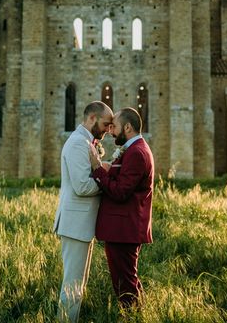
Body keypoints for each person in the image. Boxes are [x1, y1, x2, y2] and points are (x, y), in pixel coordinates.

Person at [88, 107, 154, 310]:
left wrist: (98, 170)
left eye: (114, 126)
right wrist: (110, 167)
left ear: (127, 127)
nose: (111, 131)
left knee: (124, 282)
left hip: (124, 229)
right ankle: (139, 313)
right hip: (122, 228)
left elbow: (120, 192)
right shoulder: (134, 149)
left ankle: (133, 315)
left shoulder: (137, 153)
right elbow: (124, 180)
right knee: (127, 278)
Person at [54, 101, 114, 322]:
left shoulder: (87, 142)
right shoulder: (79, 143)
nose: (109, 129)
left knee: (78, 287)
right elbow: (82, 186)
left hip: (81, 225)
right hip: (75, 225)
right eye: (106, 124)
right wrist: (106, 178)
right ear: (92, 119)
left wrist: (102, 168)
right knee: (72, 288)